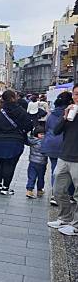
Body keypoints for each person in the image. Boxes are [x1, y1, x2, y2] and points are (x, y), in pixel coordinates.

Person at [0, 90, 35, 196]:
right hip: (15, 141)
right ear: (13, 97)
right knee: (10, 164)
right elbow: (29, 125)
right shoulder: (20, 110)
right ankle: (5, 187)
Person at [48, 83, 78, 236]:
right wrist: (65, 117)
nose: (76, 97)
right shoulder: (69, 111)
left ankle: (76, 226)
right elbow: (56, 130)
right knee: (58, 190)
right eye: (75, 94)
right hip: (64, 155)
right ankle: (64, 218)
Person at [41, 91, 74, 206]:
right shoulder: (71, 112)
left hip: (50, 144)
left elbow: (47, 128)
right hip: (65, 145)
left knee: (55, 170)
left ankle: (55, 195)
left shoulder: (52, 113)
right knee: (68, 171)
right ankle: (69, 195)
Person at [26, 125, 47, 199]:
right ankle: (39, 190)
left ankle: (29, 190)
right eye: (41, 134)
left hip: (32, 162)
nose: (43, 136)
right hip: (42, 163)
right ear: (37, 134)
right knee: (41, 177)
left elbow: (27, 139)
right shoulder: (45, 142)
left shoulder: (32, 141)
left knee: (31, 176)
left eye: (44, 134)